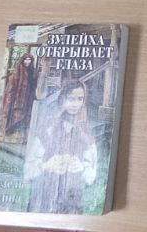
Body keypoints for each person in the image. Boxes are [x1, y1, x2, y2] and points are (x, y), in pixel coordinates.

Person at [25, 80, 99, 214]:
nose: (75, 104)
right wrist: (46, 165)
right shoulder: (48, 129)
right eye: (71, 99)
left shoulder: (86, 133)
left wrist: (81, 167)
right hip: (45, 195)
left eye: (80, 99)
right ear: (63, 99)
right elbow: (27, 171)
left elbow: (91, 176)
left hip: (72, 197)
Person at [0, 52, 39, 138]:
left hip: (27, 97)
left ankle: (20, 135)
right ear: (23, 60)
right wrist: (11, 97)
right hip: (17, 97)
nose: (27, 62)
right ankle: (10, 132)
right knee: (15, 115)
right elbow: (12, 85)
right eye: (26, 60)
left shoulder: (32, 71)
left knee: (25, 115)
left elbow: (33, 84)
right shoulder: (18, 70)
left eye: (29, 60)